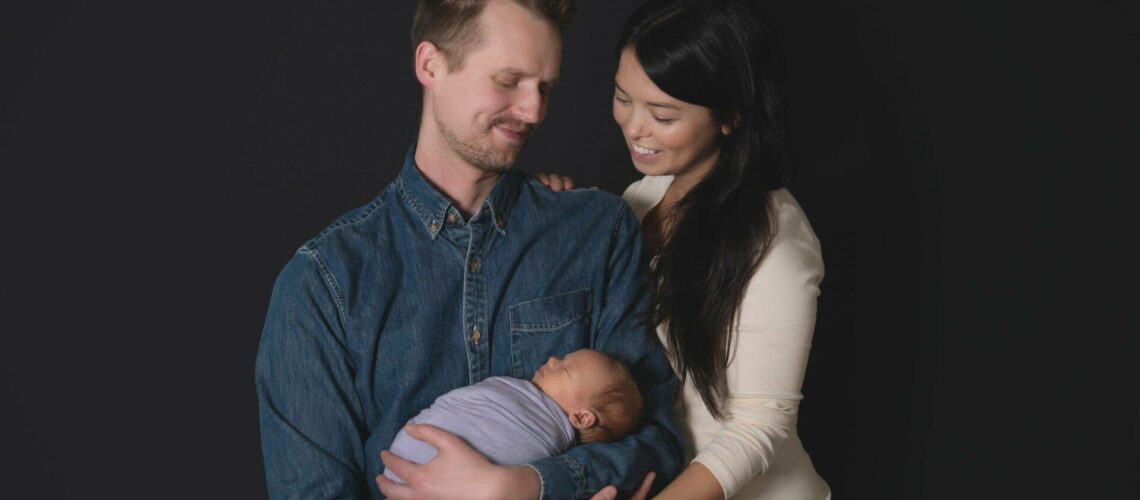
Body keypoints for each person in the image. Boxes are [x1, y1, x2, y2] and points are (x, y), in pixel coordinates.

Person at [254, 0, 683, 498]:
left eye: (545, 87)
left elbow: (656, 445)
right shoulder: (322, 284)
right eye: (508, 80)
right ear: (430, 65)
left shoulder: (599, 231)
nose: (533, 111)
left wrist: (523, 486)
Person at [537, 0, 831, 498]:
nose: (634, 127)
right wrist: (552, 220)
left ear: (729, 116)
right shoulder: (640, 198)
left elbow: (759, 428)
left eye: (663, 114)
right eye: (622, 97)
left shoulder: (776, 243)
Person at [384, 349, 643, 483]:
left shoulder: (543, 431)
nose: (553, 360)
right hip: (410, 468)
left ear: (582, 418)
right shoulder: (523, 394)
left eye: (565, 369)